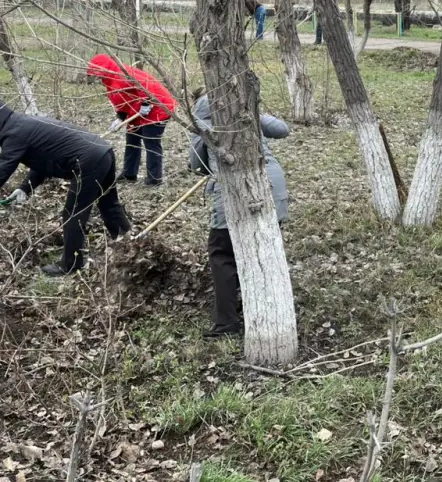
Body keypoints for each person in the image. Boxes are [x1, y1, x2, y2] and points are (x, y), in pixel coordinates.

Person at [189, 90, 290, 338]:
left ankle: (226, 323)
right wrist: (256, 113)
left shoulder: (200, 118)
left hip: (234, 188)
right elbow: (282, 129)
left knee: (221, 253)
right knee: (264, 247)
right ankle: (270, 311)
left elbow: (196, 164)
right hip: (272, 184)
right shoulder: (241, 106)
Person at [0, 101, 131, 276]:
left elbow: (3, 169)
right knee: (108, 203)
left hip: (88, 160)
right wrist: (25, 188)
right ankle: (129, 244)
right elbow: (42, 159)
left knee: (74, 213)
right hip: (102, 151)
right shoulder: (20, 123)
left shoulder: (13, 133)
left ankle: (71, 265)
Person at [87, 54, 176, 186]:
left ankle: (154, 178)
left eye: (97, 73)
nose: (97, 76)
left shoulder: (124, 73)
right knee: (132, 139)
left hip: (157, 107)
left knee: (150, 142)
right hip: (137, 110)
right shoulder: (109, 80)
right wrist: (120, 117)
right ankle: (129, 174)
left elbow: (146, 86)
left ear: (104, 68)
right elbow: (122, 99)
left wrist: (146, 104)